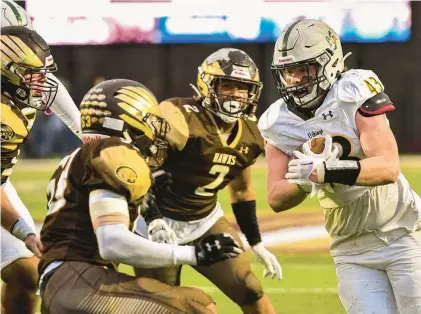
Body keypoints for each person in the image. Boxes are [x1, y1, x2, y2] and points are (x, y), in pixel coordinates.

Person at [38, 78, 243, 314]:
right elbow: (111, 242)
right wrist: (194, 254)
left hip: (67, 280)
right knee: (194, 305)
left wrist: (154, 220)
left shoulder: (84, 155)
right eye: (149, 121)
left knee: (197, 301)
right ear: (127, 123)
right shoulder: (113, 152)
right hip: (77, 280)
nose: (155, 131)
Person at [258, 19, 421, 314]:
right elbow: (275, 197)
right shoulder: (278, 122)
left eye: (303, 70)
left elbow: (388, 167)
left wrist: (326, 171)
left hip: (403, 232)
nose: (295, 80)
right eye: (288, 73)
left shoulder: (353, 93)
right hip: (351, 248)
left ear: (329, 63)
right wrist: (304, 181)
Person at [135, 48, 281, 314]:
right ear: (208, 85)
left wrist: (255, 240)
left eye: (243, 87)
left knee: (250, 288)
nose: (235, 94)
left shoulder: (250, 133)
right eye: (227, 85)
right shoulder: (179, 116)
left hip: (205, 220)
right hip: (158, 222)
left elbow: (242, 189)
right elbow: (139, 173)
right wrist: (153, 219)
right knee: (167, 307)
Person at [0, 21, 81, 314]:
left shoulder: (14, 92)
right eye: (33, 76)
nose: (42, 83)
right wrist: (23, 230)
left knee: (29, 276)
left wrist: (89, 134)